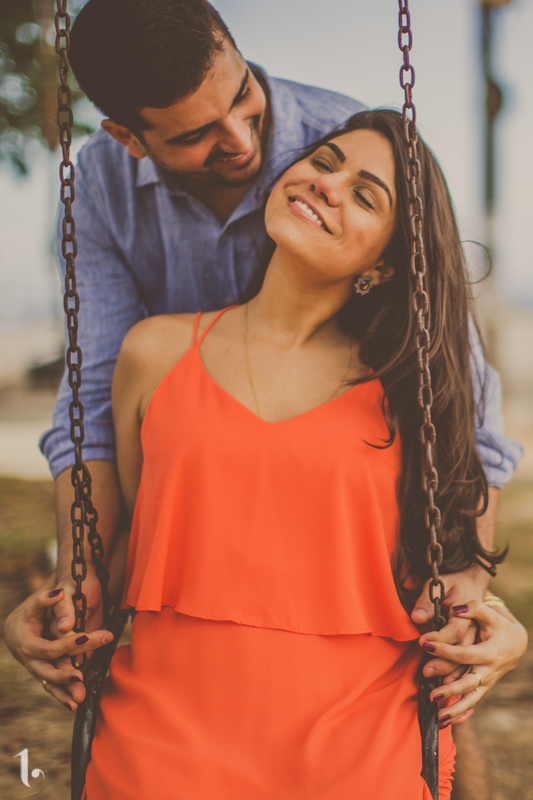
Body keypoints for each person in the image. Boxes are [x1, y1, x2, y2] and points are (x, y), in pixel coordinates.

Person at [3, 2, 524, 797]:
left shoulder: (338, 141)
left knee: (439, 750)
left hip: (352, 689)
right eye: (194, 136)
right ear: (131, 139)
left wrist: (470, 604)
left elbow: (467, 425)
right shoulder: (109, 204)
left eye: (243, 98)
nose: (244, 143)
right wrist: (78, 595)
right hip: (185, 655)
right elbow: (92, 416)